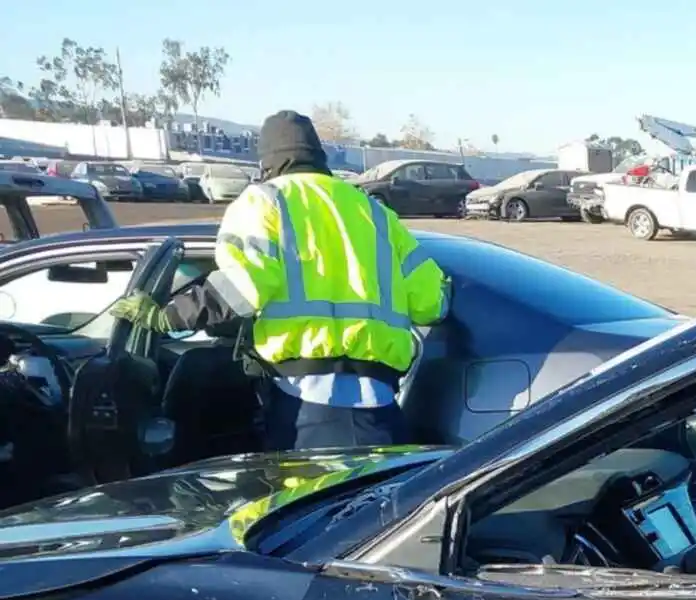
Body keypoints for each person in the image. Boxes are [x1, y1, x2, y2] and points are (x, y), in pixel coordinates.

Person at [112, 110, 449, 451]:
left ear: (269, 161)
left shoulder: (266, 201)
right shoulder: (374, 212)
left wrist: (165, 316)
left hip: (308, 408)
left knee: (309, 503)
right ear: (319, 156)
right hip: (381, 410)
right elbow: (431, 304)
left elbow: (245, 286)